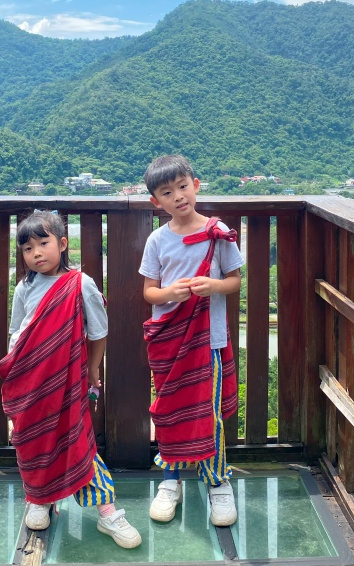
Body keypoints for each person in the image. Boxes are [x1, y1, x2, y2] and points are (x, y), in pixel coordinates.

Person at [0, 210, 141, 549]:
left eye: (43, 243)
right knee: (32, 439)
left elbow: (99, 331)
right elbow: (18, 332)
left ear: (62, 244)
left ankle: (108, 512)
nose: (36, 254)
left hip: (68, 383)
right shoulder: (24, 287)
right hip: (32, 383)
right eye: (27, 248)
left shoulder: (80, 284)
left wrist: (93, 368)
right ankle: (39, 498)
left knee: (77, 441)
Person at [139, 155, 244, 527]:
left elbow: (234, 282)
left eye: (183, 187)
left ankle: (218, 483)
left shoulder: (218, 233)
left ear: (196, 185)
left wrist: (212, 286)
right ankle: (170, 482)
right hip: (169, 340)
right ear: (157, 202)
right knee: (169, 411)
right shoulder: (157, 240)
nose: (178, 196)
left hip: (209, 341)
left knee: (209, 415)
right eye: (167, 192)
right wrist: (172, 294)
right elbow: (150, 293)